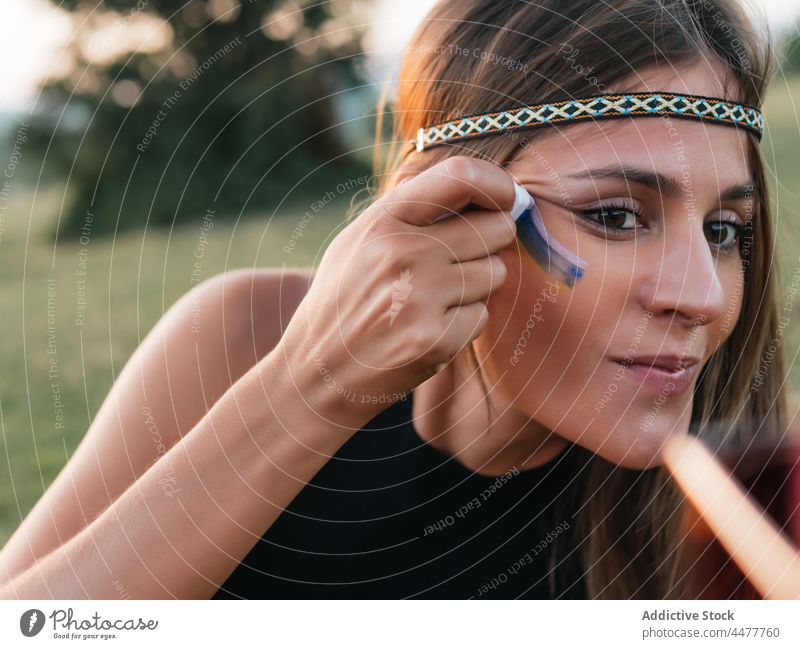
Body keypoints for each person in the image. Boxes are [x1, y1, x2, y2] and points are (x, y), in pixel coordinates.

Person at [0, 0, 788, 599]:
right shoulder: (242, 338)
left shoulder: (739, 517)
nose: (703, 293)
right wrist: (307, 389)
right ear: (448, 210)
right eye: (615, 215)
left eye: (726, 228)